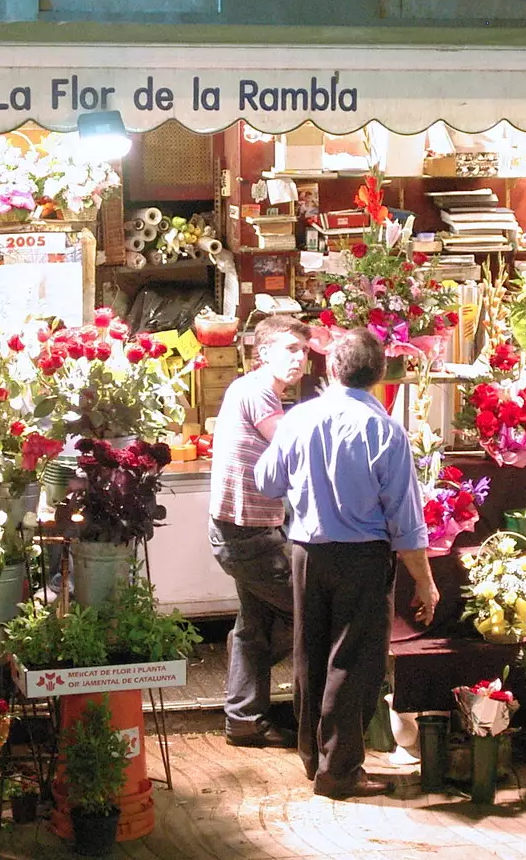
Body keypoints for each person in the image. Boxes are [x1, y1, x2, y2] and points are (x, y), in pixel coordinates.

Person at [254, 328, 439, 799]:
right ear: (379, 375)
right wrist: (426, 583)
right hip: (361, 558)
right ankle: (339, 772)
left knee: (310, 653)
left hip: (306, 554)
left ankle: (313, 757)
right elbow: (405, 521)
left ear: (331, 369)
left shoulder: (298, 419)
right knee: (352, 663)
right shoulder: (386, 431)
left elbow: (268, 481)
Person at [208, 315, 310, 749]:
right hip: (246, 537)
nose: (300, 359)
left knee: (253, 626)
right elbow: (293, 445)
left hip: (250, 531)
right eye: (290, 350)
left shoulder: (253, 391)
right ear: (263, 352)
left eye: (304, 351)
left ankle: (244, 719)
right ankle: (309, 720)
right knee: (307, 613)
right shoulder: (256, 391)